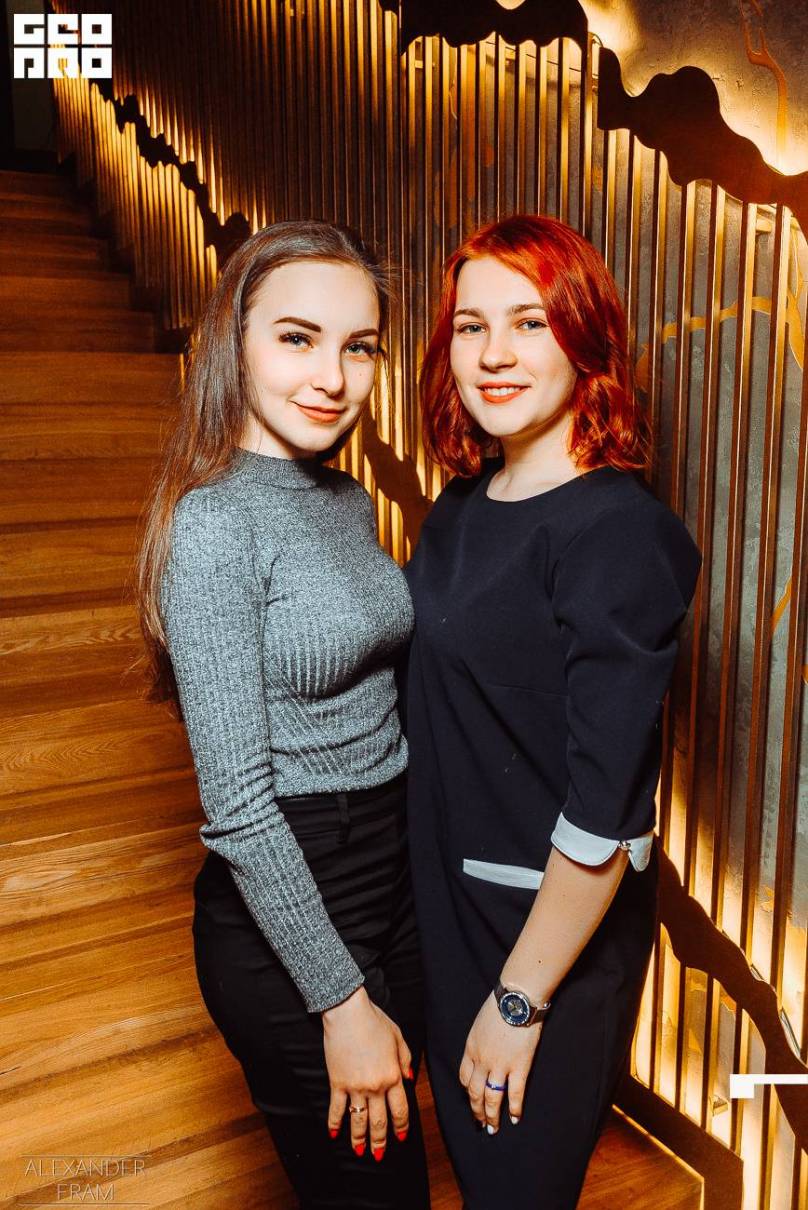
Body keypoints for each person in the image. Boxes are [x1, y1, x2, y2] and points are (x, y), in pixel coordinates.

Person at [404, 213, 702, 1209]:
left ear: (584, 337)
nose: (493, 354)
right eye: (471, 326)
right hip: (447, 917)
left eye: (529, 322)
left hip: (539, 947)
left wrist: (520, 1000)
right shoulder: (460, 508)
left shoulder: (619, 532)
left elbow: (606, 813)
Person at [135, 220, 431, 1210]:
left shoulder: (341, 497)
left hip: (388, 875)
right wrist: (340, 1002)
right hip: (294, 899)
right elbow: (238, 810)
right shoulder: (216, 524)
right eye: (298, 338)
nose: (333, 377)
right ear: (235, 340)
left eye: (359, 347)